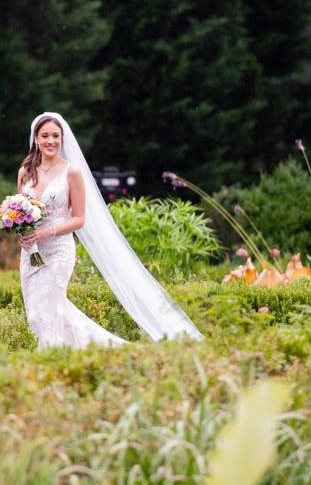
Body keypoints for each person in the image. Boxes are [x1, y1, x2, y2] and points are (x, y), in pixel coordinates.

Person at [17, 112, 202, 348]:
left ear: (63, 139)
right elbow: (20, 212)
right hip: (30, 254)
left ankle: (49, 362)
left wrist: (46, 232)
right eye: (45, 136)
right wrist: (19, 231)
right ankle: (89, 351)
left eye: (55, 136)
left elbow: (79, 219)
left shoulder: (71, 172)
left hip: (58, 251)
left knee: (42, 314)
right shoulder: (25, 171)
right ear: (36, 138)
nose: (50, 141)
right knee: (41, 313)